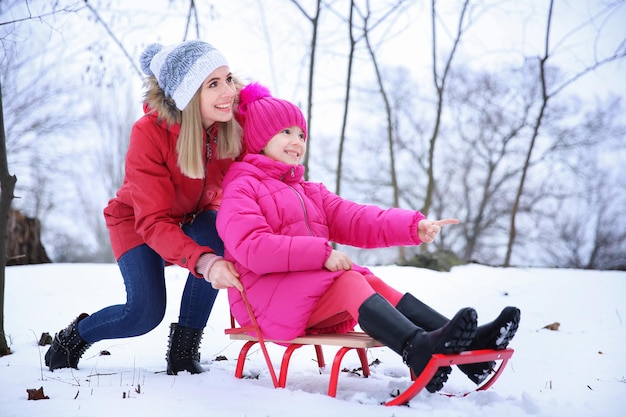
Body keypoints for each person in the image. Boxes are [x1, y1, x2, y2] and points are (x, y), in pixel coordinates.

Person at [215, 82, 521, 392]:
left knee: (368, 280)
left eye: (301, 134)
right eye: (286, 132)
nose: (297, 141)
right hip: (264, 300)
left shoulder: (309, 192)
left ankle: (470, 351)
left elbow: (358, 219)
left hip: (303, 294)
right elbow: (252, 247)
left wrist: (412, 226)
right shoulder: (242, 187)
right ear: (259, 137)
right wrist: (320, 253)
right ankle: (416, 348)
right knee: (348, 279)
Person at [45, 40, 244, 375]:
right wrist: (206, 263)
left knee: (216, 230)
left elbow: (268, 158)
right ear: (187, 95)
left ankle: (183, 351)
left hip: (195, 217)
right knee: (144, 313)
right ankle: (73, 338)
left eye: (228, 79)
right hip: (138, 221)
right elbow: (152, 221)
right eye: (213, 84)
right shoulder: (149, 133)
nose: (229, 91)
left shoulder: (231, 123)